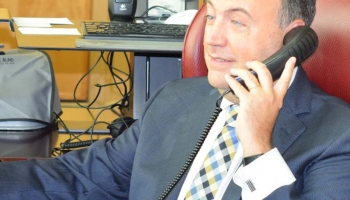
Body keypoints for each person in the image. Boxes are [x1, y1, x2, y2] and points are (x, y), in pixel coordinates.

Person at [1, 0, 350, 199]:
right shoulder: (176, 101)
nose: (211, 39)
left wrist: (258, 146)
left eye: (237, 22)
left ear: (292, 40)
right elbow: (82, 178)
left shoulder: (337, 135)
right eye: (211, 16)